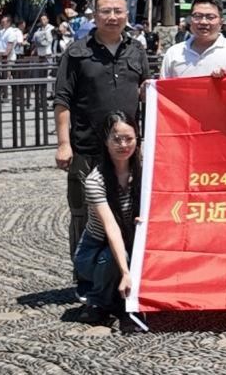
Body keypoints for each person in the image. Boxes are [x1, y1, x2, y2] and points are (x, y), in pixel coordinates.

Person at [54, 0, 150, 289]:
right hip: (87, 148)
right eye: (105, 11)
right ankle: (85, 279)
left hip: (126, 151)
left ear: (127, 14)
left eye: (118, 11)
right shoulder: (77, 52)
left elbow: (147, 94)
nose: (112, 16)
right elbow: (62, 100)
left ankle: (127, 276)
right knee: (84, 215)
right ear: (94, 16)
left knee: (129, 212)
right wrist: (63, 144)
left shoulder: (136, 50)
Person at [73, 110, 146, 333]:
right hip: (98, 249)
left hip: (133, 243)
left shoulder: (146, 173)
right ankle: (100, 300)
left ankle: (123, 299)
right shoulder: (95, 181)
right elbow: (111, 228)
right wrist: (126, 273)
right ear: (105, 141)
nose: (123, 145)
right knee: (118, 257)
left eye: (129, 138)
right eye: (116, 139)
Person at [160, 0, 226, 78]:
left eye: (210, 17)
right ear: (190, 20)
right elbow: (162, 85)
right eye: (197, 16)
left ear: (221, 22)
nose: (203, 22)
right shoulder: (174, 53)